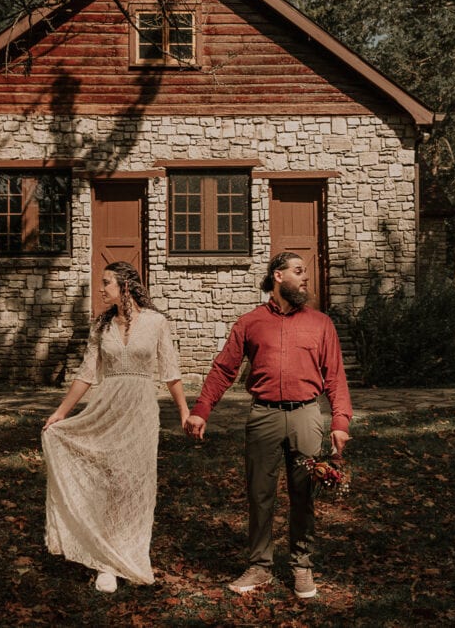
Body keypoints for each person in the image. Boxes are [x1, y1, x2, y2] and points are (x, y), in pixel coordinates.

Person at [184, 251, 352, 599]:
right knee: (259, 494)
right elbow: (223, 369)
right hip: (263, 417)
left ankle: (302, 566)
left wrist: (340, 421)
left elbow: (335, 377)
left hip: (307, 416)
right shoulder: (250, 323)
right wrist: (202, 409)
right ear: (278, 276)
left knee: (303, 493)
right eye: (298, 271)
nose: (305, 278)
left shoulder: (321, 323)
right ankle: (260, 566)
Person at [42, 261, 190, 593]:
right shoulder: (101, 327)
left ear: (124, 286)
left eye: (106, 282)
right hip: (106, 408)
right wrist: (60, 413)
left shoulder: (156, 323)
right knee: (107, 481)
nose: (101, 288)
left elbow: (171, 371)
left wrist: (183, 411)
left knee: (134, 481)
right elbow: (86, 374)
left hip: (140, 411)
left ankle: (132, 552)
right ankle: (106, 563)